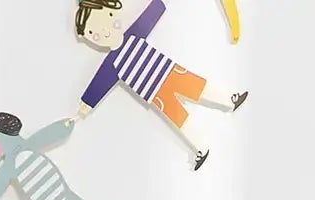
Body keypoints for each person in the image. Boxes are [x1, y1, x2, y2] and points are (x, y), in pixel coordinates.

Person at [74, 0, 247, 171]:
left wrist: (159, 3)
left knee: (198, 87)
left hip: (169, 73)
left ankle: (230, 99)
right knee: (179, 118)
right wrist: (86, 104)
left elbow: (152, 13)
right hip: (156, 93)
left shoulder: (133, 35)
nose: (104, 31)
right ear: (85, 36)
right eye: (93, 32)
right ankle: (201, 147)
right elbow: (99, 84)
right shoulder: (111, 64)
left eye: (109, 16)